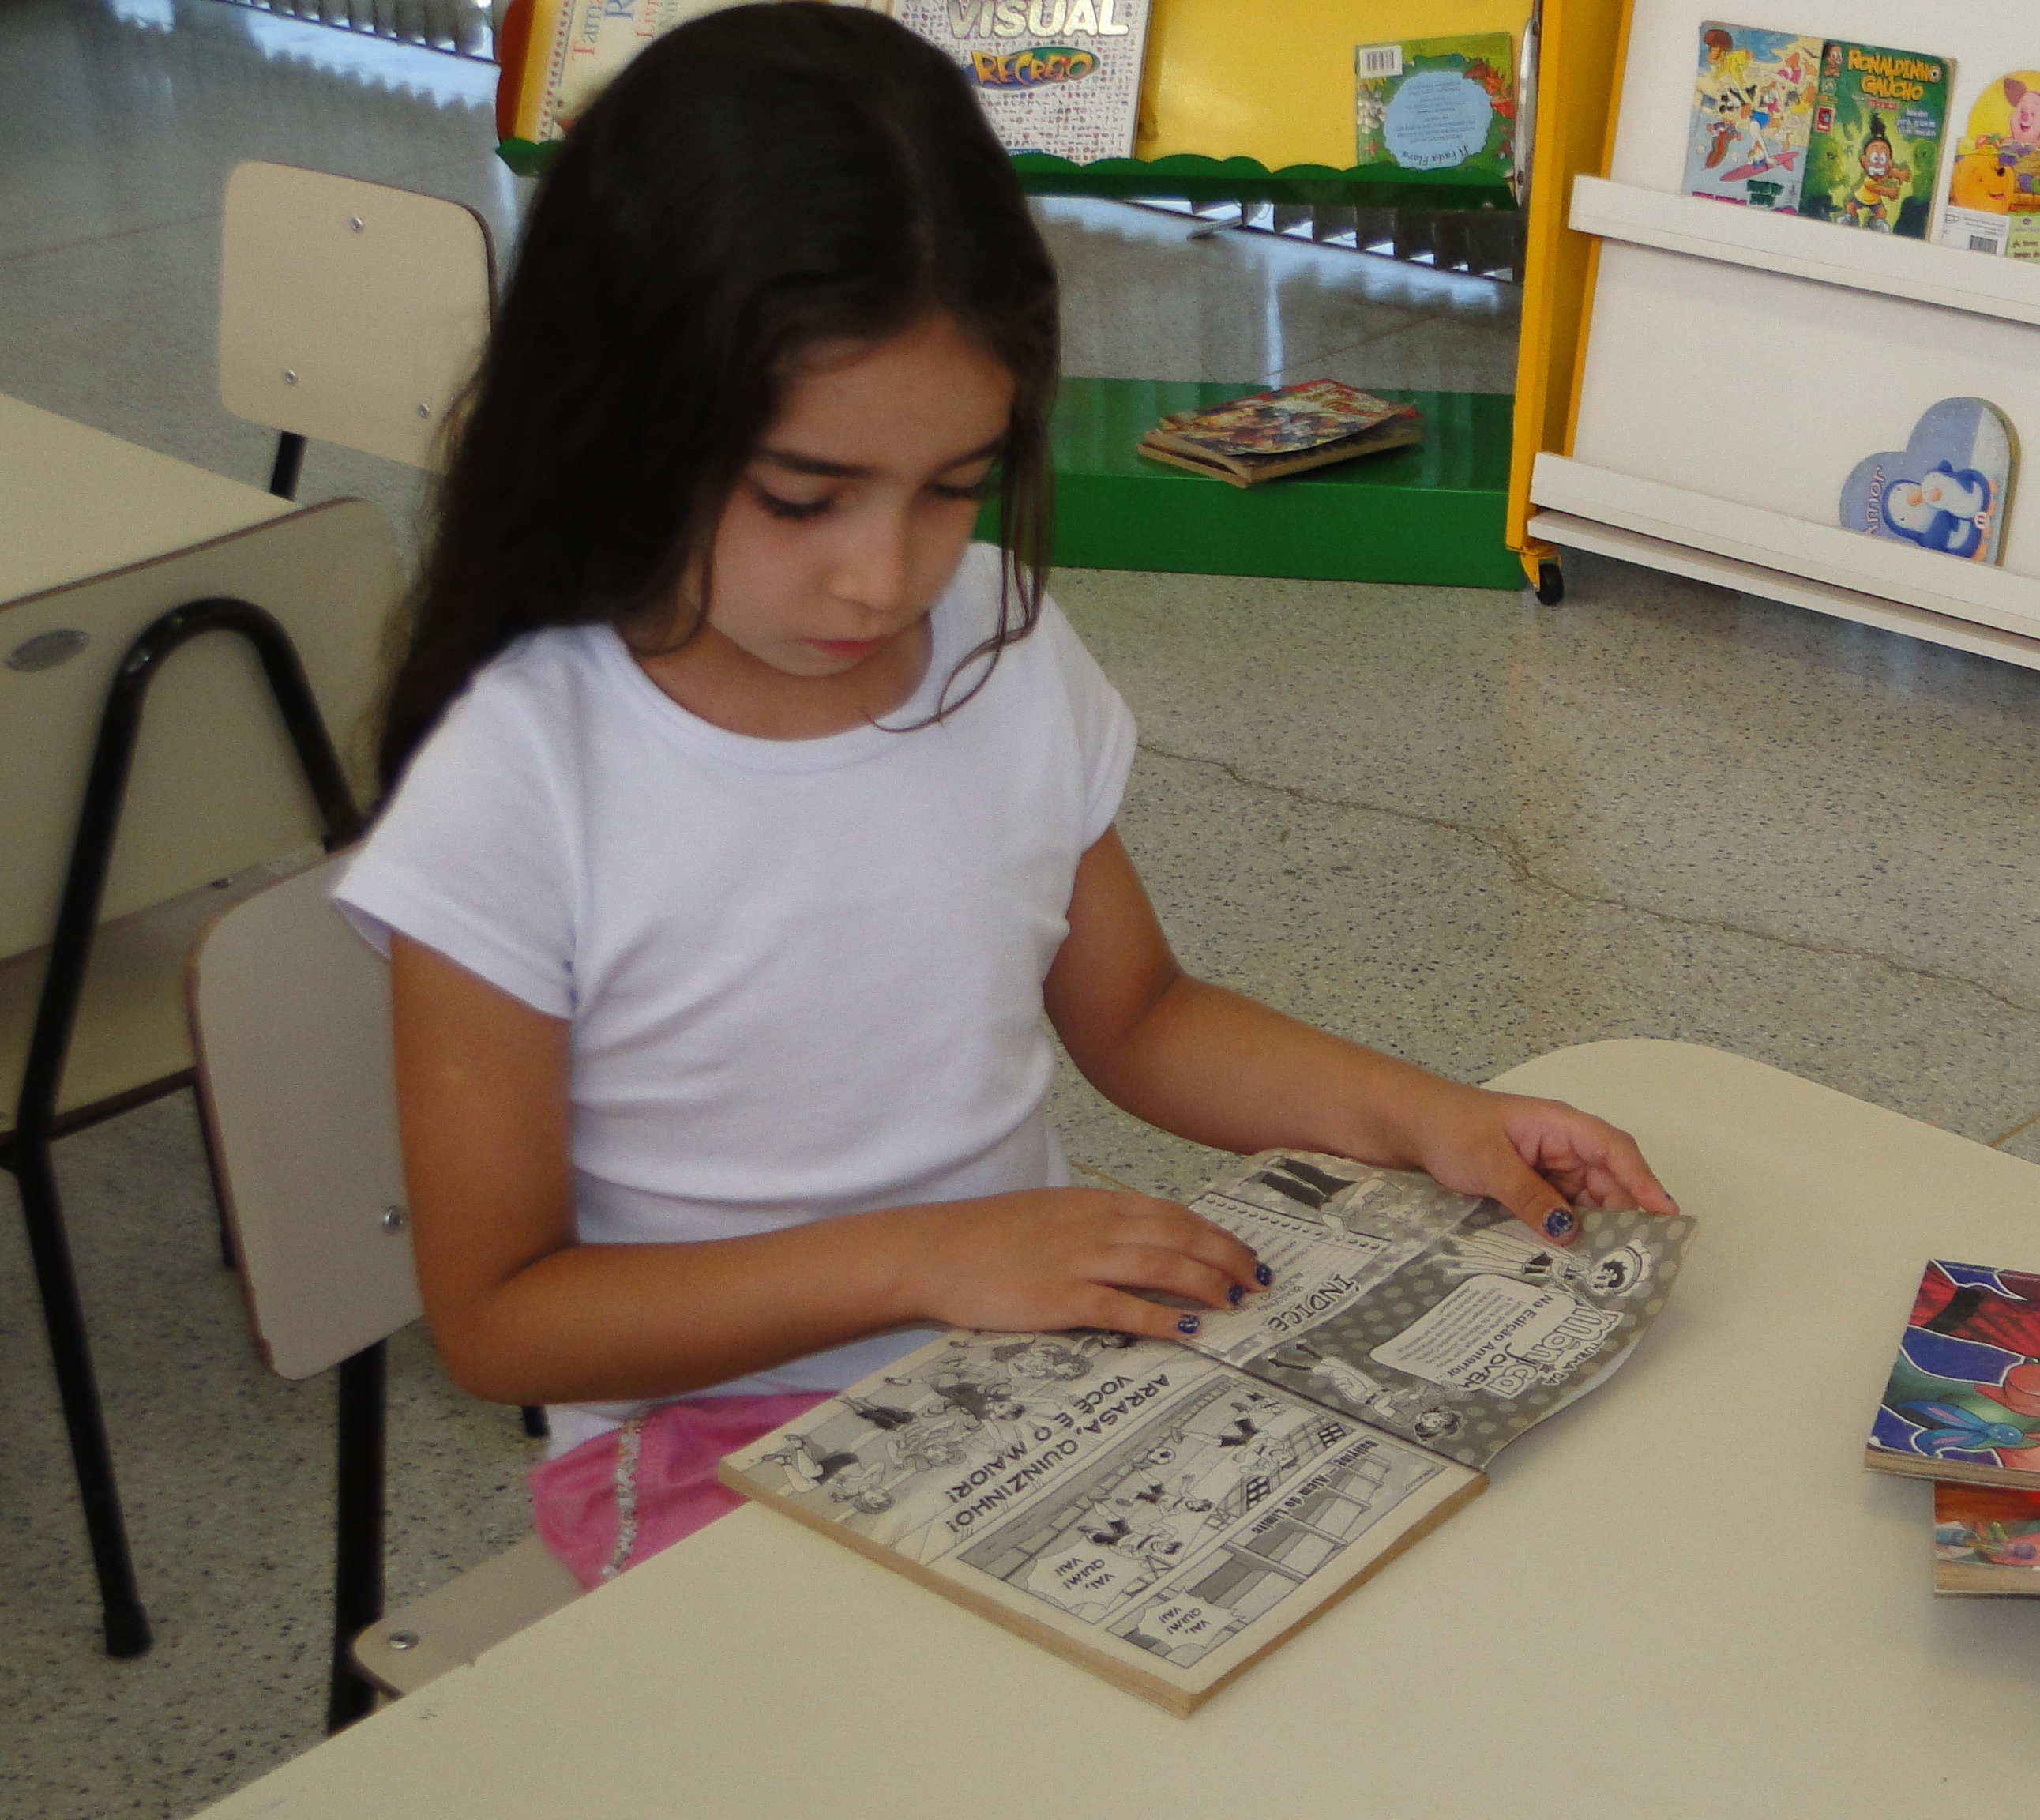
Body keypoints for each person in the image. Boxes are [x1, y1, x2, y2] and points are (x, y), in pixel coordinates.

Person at [336, 7, 1676, 1589]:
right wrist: (930, 1259)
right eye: (802, 497)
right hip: (704, 1448)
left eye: (955, 486)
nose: (884, 575)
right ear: (619, 416)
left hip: (1026, 1369)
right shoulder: (525, 773)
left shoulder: (1000, 641)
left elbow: (1143, 1017)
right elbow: (501, 1317)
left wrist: (1434, 1118)